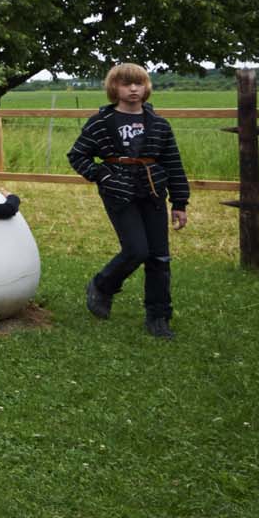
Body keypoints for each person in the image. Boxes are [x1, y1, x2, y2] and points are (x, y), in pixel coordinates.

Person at [66, 62, 189, 339]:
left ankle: (158, 316)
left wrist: (180, 202)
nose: (133, 89)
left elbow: (173, 163)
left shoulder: (158, 124)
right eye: (126, 84)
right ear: (114, 88)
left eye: (139, 83)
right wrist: (102, 176)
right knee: (136, 250)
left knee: (159, 256)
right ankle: (103, 285)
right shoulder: (101, 123)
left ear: (146, 87)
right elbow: (77, 155)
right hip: (118, 192)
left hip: (153, 191)